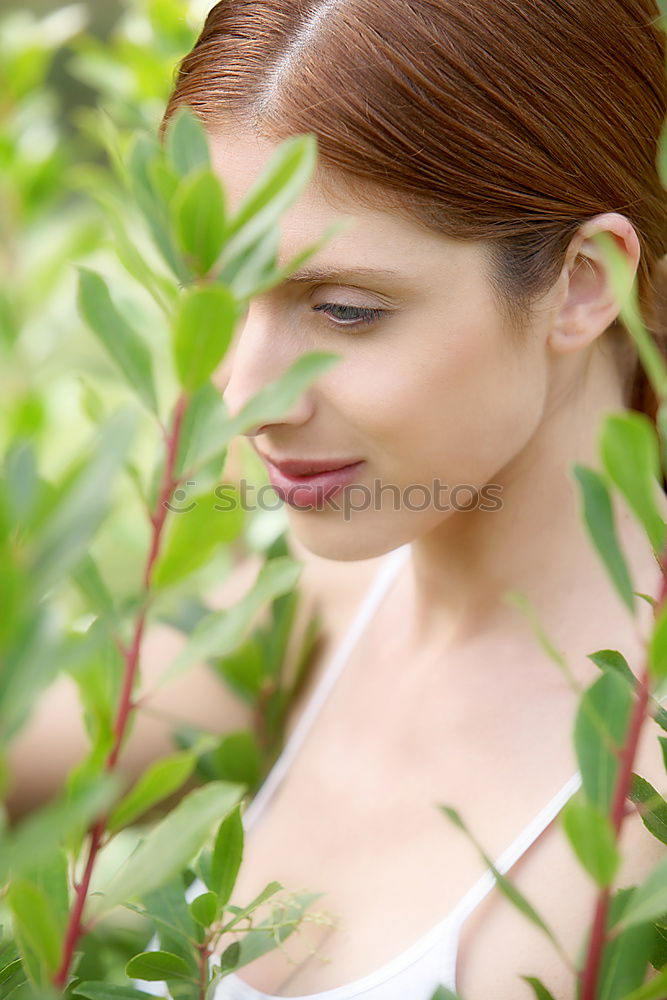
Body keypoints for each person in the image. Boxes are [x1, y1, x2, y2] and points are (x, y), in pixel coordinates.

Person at [158, 1, 667, 997]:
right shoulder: (310, 603)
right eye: (219, 294)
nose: (242, 394)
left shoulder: (643, 793)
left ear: (580, 284)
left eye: (344, 309)